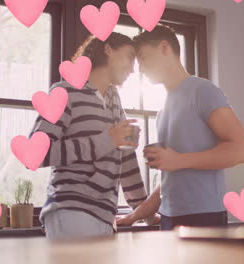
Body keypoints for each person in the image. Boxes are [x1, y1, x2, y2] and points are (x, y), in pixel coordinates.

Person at [116, 25, 244, 230]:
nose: (140, 69)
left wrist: (177, 160)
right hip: (169, 217)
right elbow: (171, 178)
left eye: (143, 57)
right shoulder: (163, 110)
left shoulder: (203, 91)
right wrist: (137, 214)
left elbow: (241, 151)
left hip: (204, 216)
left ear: (164, 47)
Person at [28, 32, 156, 240]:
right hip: (72, 211)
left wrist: (146, 214)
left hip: (105, 216)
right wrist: (107, 140)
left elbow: (126, 160)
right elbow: (35, 154)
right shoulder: (65, 92)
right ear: (108, 49)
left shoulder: (114, 100)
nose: (133, 69)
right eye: (130, 57)